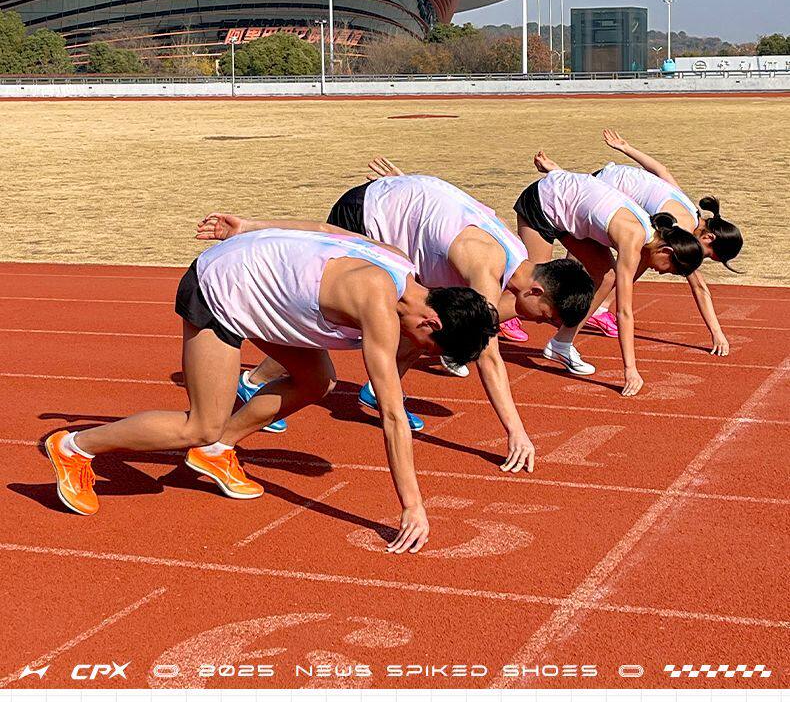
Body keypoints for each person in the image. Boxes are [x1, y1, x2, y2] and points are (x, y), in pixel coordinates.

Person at [45, 223, 498, 554]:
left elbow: (322, 229)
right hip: (219, 290)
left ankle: (218, 451)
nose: (417, 353)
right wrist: (412, 506)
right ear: (430, 321)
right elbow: (393, 414)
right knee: (200, 425)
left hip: (259, 283)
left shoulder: (400, 263)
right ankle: (74, 447)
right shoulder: (378, 303)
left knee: (317, 381)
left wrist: (248, 226)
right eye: (429, 348)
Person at [206, 172, 594, 473]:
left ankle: (376, 392)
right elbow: (487, 356)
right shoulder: (486, 271)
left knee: (421, 322)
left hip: (391, 204)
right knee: (334, 317)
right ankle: (254, 382)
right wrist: (516, 432)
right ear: (538, 293)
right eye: (548, 318)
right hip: (366, 213)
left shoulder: (514, 252)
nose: (541, 325)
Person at [514, 152, 704, 395]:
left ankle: (561, 343)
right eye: (669, 270)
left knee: (607, 277)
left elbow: (592, 192)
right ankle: (466, 332)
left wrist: (557, 171)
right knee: (528, 287)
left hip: (563, 206)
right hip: (541, 205)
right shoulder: (632, 238)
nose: (660, 272)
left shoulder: (646, 227)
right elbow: (623, 311)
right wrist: (630, 369)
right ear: (666, 251)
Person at [583, 128, 743, 355]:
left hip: (604, 180)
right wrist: (717, 333)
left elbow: (660, 170)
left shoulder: (690, 209)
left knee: (596, 251)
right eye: (707, 254)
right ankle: (598, 308)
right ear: (708, 237)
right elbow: (698, 285)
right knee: (643, 256)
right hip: (601, 190)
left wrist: (626, 148)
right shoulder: (682, 228)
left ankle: (591, 303)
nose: (699, 258)